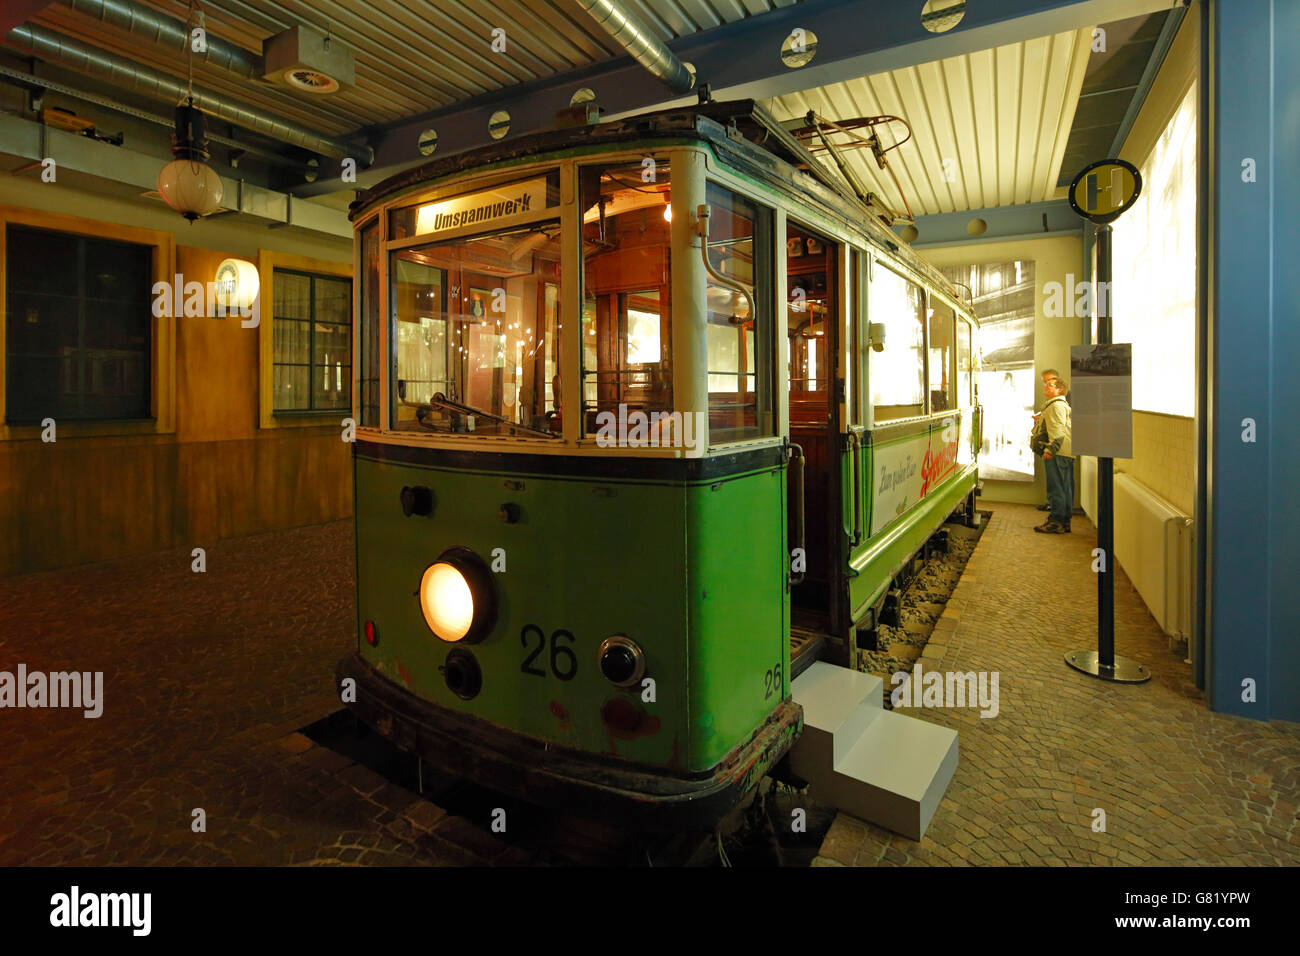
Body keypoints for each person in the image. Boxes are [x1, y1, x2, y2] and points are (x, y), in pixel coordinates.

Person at [1035, 376, 1073, 534]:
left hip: (1058, 452)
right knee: (1064, 487)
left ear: (1059, 390)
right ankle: (1064, 522)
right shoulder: (1058, 405)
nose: (1046, 386)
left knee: (1056, 487)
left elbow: (1057, 432)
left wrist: (1051, 449)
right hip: (1065, 452)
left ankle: (1056, 522)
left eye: (1050, 385)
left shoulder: (1056, 406)